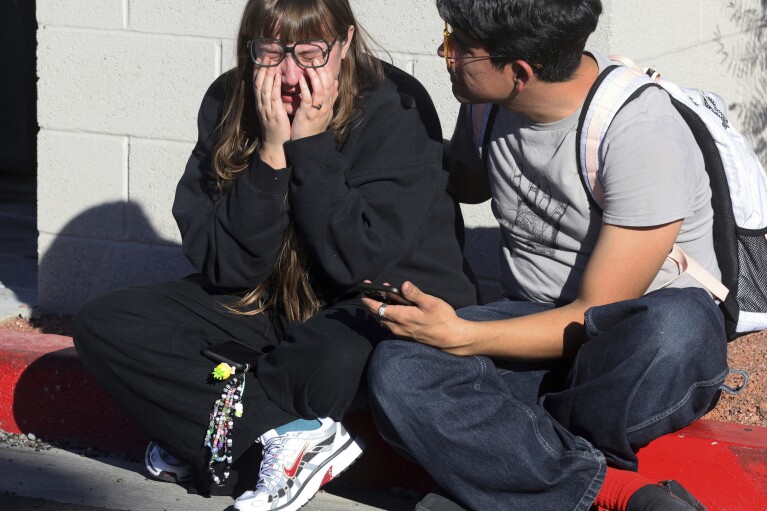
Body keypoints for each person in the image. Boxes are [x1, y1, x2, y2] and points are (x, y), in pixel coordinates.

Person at [72, 0, 477, 510]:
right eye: (270, 53)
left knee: (326, 359)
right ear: (250, 47)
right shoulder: (228, 99)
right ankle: (253, 441)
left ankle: (208, 438)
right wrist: (269, 153)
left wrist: (310, 146)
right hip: (271, 305)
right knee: (107, 324)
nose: (290, 73)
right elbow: (226, 267)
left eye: (310, 53)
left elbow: (359, 261)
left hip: (376, 307)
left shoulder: (394, 104)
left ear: (346, 44)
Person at [362, 1, 729, 510]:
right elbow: (463, 183)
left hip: (627, 344)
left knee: (678, 328)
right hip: (530, 324)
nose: (444, 55)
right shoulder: (485, 104)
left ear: (520, 73)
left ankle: (504, 474)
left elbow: (591, 314)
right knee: (399, 368)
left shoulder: (641, 132)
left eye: (459, 48)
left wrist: (463, 336)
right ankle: (608, 490)